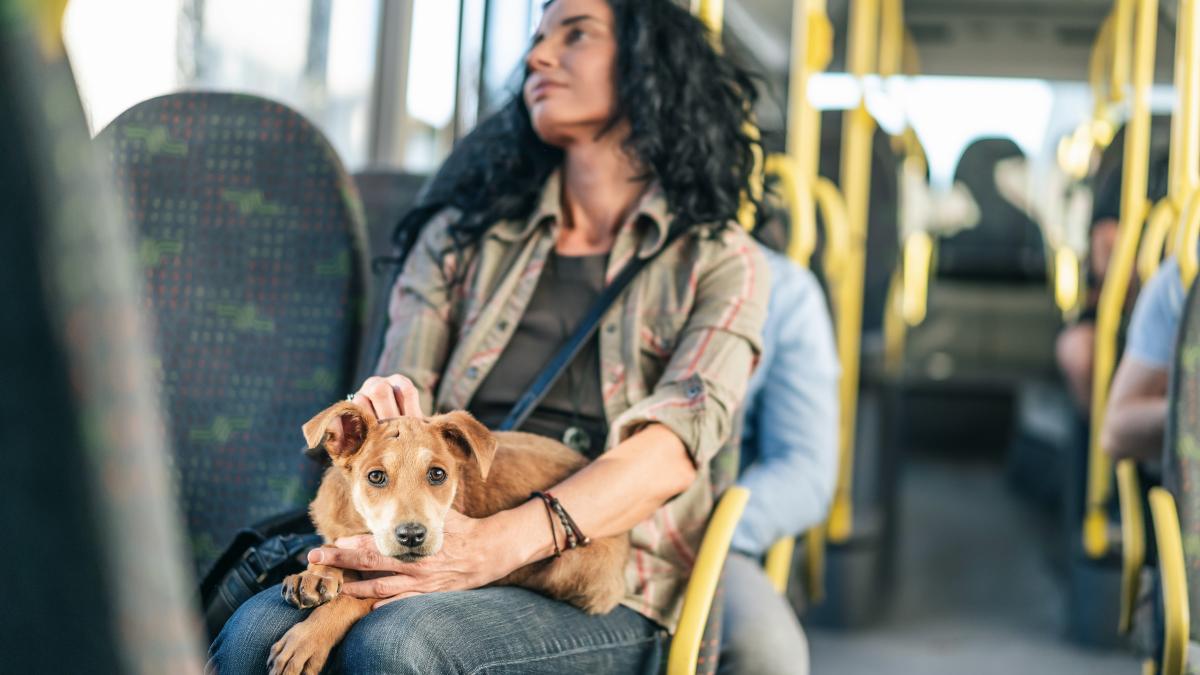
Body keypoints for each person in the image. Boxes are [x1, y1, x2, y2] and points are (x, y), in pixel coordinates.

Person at [208, 1, 769, 673]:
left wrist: (497, 543)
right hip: (435, 516)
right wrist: (389, 401)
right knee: (251, 637)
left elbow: (670, 450)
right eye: (534, 40)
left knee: (394, 647)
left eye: (576, 34)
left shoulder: (720, 261)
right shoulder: (460, 237)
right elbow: (406, 391)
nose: (536, 56)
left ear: (652, 65)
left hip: (597, 577)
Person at [718, 210, 840, 675]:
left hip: (700, 527)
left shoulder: (784, 290)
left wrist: (711, 532)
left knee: (767, 653)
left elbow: (805, 468)